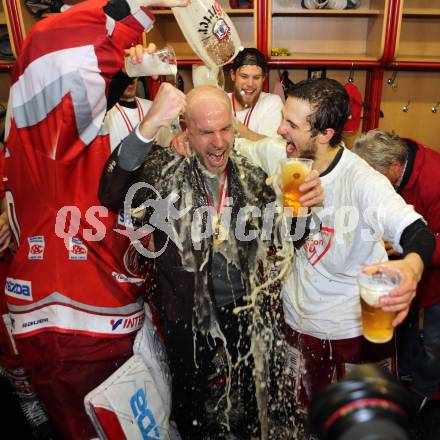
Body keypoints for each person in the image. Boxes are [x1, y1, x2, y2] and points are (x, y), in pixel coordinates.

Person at [3, 0, 188, 438]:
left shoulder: (43, 141)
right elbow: (51, 42)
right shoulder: (48, 143)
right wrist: (132, 8)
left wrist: (128, 72)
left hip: (93, 316)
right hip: (75, 325)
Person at [99, 83, 323, 438]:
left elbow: (292, 239)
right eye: (205, 132)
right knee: (189, 396)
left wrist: (304, 210)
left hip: (242, 305)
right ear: (186, 130)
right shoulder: (163, 167)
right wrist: (148, 126)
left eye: (225, 129)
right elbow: (111, 192)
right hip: (183, 308)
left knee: (252, 388)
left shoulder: (250, 175)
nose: (219, 142)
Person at [353, 129, 440, 401]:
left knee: (435, 341)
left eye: (373, 175)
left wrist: (406, 250)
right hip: (403, 275)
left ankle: (425, 393)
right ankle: (406, 376)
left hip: (434, 278)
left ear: (395, 166)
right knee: (405, 329)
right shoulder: (393, 159)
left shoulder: (434, 181)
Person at [229, 47, 283, 140]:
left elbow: (271, 147)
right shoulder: (220, 102)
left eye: (256, 77)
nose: (250, 84)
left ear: (264, 78)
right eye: (244, 76)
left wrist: (230, 122)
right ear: (233, 75)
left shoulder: (272, 103)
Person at [104, 76, 173, 150]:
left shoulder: (154, 108)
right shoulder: (103, 113)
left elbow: (169, 146)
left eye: (135, 72)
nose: (131, 78)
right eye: (126, 73)